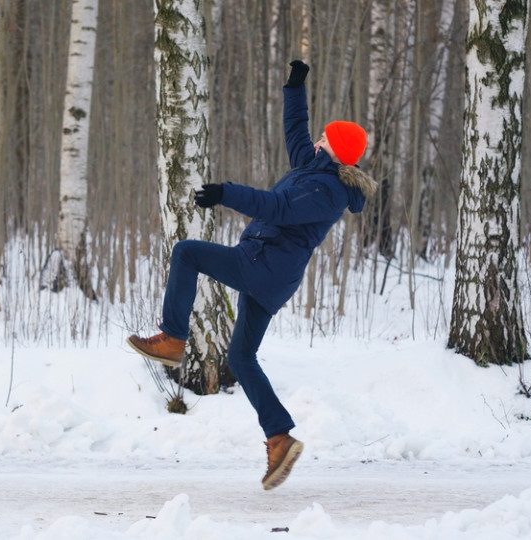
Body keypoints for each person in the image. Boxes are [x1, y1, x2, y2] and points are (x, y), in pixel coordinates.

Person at [127, 60, 377, 490]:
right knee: (241, 358)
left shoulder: (328, 192)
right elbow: (296, 132)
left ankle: (172, 339)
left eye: (325, 138)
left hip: (262, 266)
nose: (317, 139)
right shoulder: (311, 167)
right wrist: (294, 87)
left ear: (336, 150)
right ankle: (279, 439)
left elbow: (278, 209)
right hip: (269, 272)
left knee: (186, 253)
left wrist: (227, 193)